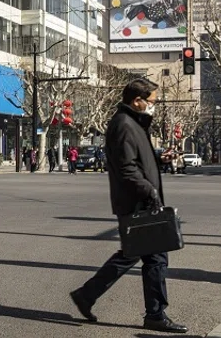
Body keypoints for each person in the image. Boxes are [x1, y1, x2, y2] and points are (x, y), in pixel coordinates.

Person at [70, 79, 187, 334]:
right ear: (138, 101)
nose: (153, 107)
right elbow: (126, 168)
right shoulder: (124, 124)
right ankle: (152, 314)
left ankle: (88, 295)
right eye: (152, 102)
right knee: (146, 256)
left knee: (142, 255)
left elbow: (135, 157)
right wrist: (149, 190)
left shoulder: (133, 122)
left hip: (140, 199)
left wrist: (158, 156)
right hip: (136, 201)